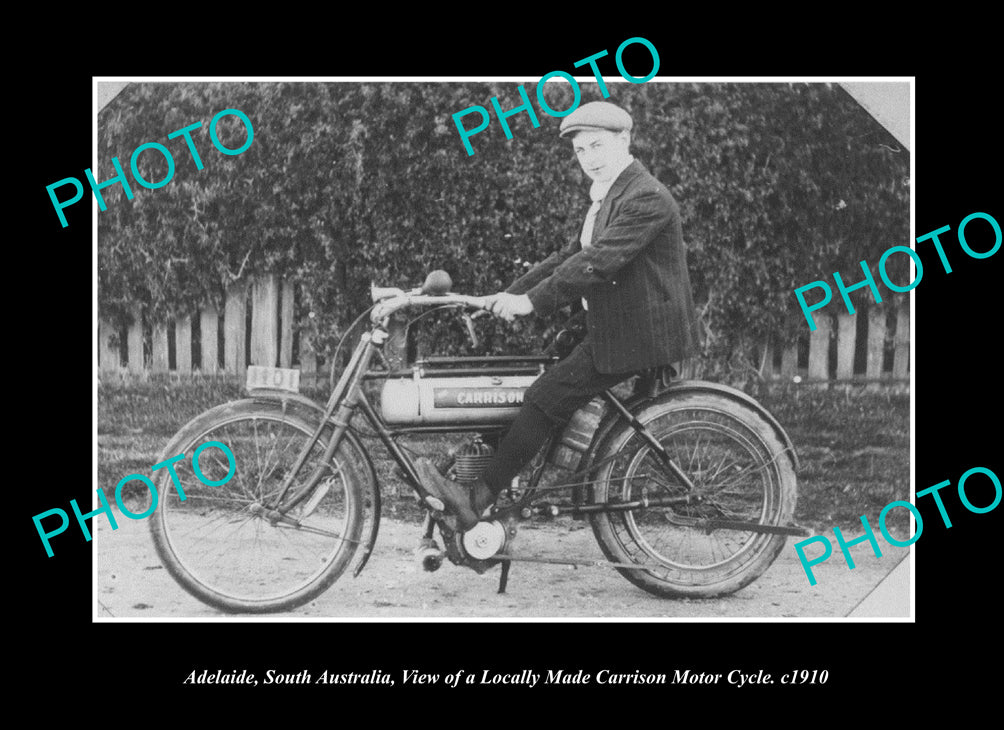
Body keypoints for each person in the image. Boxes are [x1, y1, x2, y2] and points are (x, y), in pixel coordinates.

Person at [416, 100, 700, 530]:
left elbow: (599, 261)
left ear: (625, 140)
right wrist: (505, 296)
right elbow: (565, 257)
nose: (589, 159)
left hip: (637, 334)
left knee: (543, 398)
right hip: (613, 325)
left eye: (597, 146)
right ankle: (483, 480)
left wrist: (532, 303)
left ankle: (477, 497)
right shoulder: (609, 196)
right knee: (526, 380)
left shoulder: (644, 196)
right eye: (581, 151)